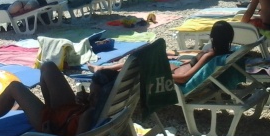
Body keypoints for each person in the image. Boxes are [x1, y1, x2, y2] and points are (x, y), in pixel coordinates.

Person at [0, 62, 118, 136]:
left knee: (15, 87)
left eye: (95, 95)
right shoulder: (102, 106)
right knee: (48, 67)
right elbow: (92, 106)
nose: (91, 96)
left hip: (52, 125)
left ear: (104, 96)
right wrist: (87, 101)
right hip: (69, 111)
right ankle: (44, 108)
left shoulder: (88, 116)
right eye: (91, 92)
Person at [89, 20, 235, 85]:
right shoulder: (225, 51)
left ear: (213, 36)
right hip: (176, 67)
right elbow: (195, 66)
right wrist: (179, 59)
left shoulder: (210, 55)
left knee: (141, 62)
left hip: (174, 75)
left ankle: (105, 72)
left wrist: (158, 76)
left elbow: (184, 78)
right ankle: (105, 69)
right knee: (147, 57)